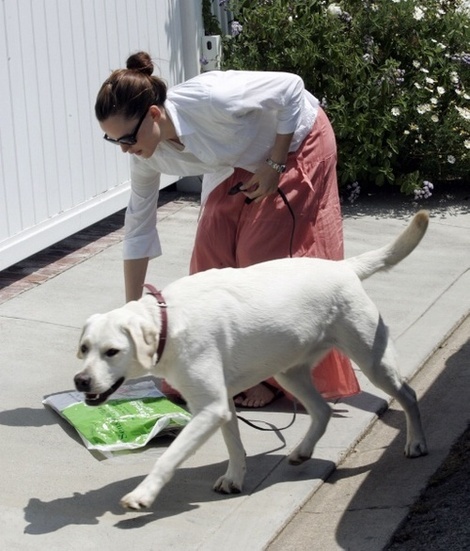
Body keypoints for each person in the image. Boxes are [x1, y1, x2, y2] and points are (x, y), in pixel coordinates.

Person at [95, 51, 360, 408]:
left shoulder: (211, 97)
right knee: (208, 261)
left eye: (126, 138)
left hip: (296, 140)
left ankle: (268, 377)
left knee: (260, 259)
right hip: (239, 158)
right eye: (114, 142)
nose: (125, 150)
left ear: (154, 114)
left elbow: (291, 88)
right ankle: (221, 366)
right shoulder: (148, 154)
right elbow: (138, 228)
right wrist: (131, 311)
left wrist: (274, 165)